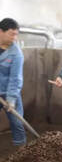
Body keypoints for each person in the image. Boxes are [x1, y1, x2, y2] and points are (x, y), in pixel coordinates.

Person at [0, 18, 26, 146]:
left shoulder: (16, 54)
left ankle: (21, 150)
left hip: (9, 92)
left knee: (17, 122)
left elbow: (15, 78)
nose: (14, 37)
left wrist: (10, 100)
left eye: (16, 34)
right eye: (11, 34)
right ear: (1, 32)